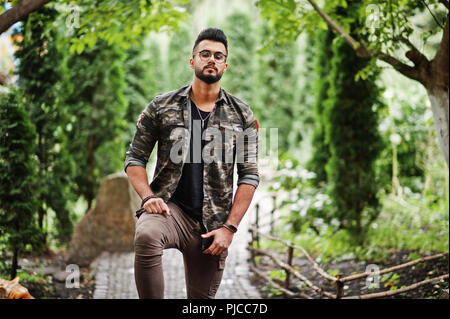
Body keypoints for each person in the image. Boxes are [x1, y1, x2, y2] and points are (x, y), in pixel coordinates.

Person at [124, 27, 259, 299]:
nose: (212, 59)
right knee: (147, 234)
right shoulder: (162, 106)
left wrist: (229, 229)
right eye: (205, 54)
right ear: (192, 60)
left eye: (218, 56)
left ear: (225, 64)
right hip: (169, 210)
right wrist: (148, 197)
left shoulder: (242, 114)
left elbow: (249, 176)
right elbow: (135, 158)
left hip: (213, 225)